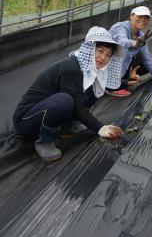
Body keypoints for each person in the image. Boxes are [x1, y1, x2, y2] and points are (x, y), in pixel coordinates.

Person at [12, 27, 125, 161]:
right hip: (26, 121)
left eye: (108, 55)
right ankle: (45, 141)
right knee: (65, 100)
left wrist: (127, 82)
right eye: (100, 51)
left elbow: (104, 88)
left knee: (91, 92)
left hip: (47, 113)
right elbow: (75, 104)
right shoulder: (72, 68)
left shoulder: (91, 72)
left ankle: (67, 127)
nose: (103, 57)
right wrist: (100, 128)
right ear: (89, 49)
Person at [108, 6, 152, 97]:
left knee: (150, 61)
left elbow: (146, 57)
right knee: (125, 51)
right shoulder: (120, 27)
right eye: (140, 16)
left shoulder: (141, 36)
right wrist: (134, 44)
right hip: (105, 63)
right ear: (131, 16)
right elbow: (121, 41)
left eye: (146, 18)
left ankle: (125, 78)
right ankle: (111, 87)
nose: (143, 20)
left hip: (120, 63)